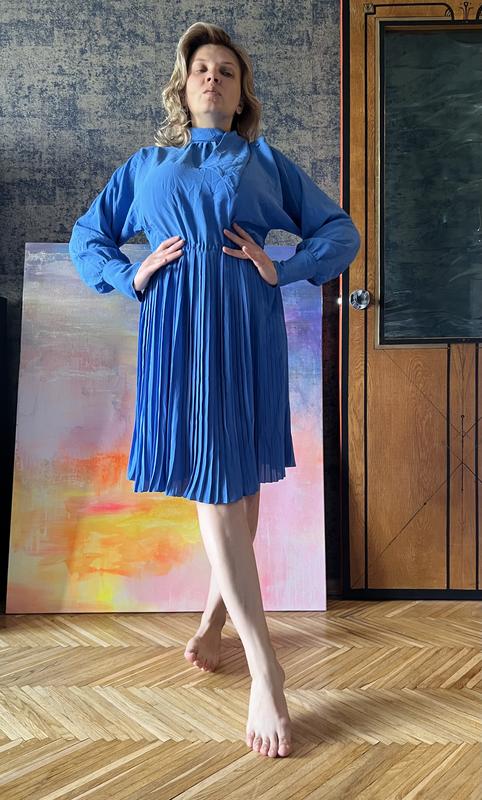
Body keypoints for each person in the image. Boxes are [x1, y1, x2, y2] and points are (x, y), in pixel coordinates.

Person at [68, 21, 361, 759]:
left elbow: (338, 232)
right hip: (178, 337)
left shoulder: (264, 162)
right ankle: (259, 662)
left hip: (245, 330)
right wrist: (128, 275)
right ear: (183, 85)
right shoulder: (145, 166)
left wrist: (283, 268)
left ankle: (223, 634)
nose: (213, 77)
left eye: (227, 71)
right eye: (202, 67)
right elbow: (87, 237)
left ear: (241, 94)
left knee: (236, 486)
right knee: (220, 485)